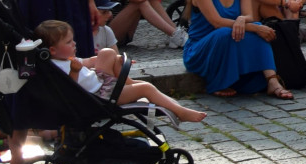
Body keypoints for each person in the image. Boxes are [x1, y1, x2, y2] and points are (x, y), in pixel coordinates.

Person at [34, 18, 206, 123]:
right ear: (53, 51)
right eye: (68, 42)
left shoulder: (66, 59)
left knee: (107, 52)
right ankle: (181, 112)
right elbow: (68, 91)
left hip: (101, 82)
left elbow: (89, 61)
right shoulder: (58, 67)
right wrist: (74, 72)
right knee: (146, 88)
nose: (74, 44)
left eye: (73, 40)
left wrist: (109, 60)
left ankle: (128, 84)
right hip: (100, 96)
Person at [183, 0, 292, 99]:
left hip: (233, 37)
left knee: (254, 28)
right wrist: (254, 26)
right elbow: (217, 22)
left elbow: (248, 15)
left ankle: (273, 81)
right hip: (201, 48)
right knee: (234, 31)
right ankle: (217, 83)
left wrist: (244, 20)